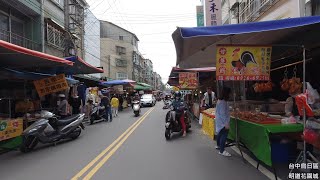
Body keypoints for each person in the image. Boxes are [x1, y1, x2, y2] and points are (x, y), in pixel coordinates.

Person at [215, 87, 231, 157]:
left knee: (220, 133)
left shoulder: (220, 100)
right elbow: (223, 114)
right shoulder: (223, 102)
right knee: (224, 134)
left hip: (220, 121)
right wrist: (226, 123)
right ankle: (222, 150)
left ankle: (218, 145)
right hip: (222, 121)